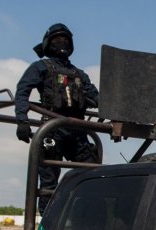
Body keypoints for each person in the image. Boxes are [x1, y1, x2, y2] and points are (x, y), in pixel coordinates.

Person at [14, 23, 100, 213]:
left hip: (78, 132)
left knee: (93, 177)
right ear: (48, 43)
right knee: (48, 186)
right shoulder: (40, 67)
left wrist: (115, 110)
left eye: (65, 40)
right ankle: (46, 228)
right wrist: (22, 121)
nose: (62, 43)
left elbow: (96, 97)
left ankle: (85, 219)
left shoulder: (80, 74)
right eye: (57, 40)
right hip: (52, 129)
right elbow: (22, 93)